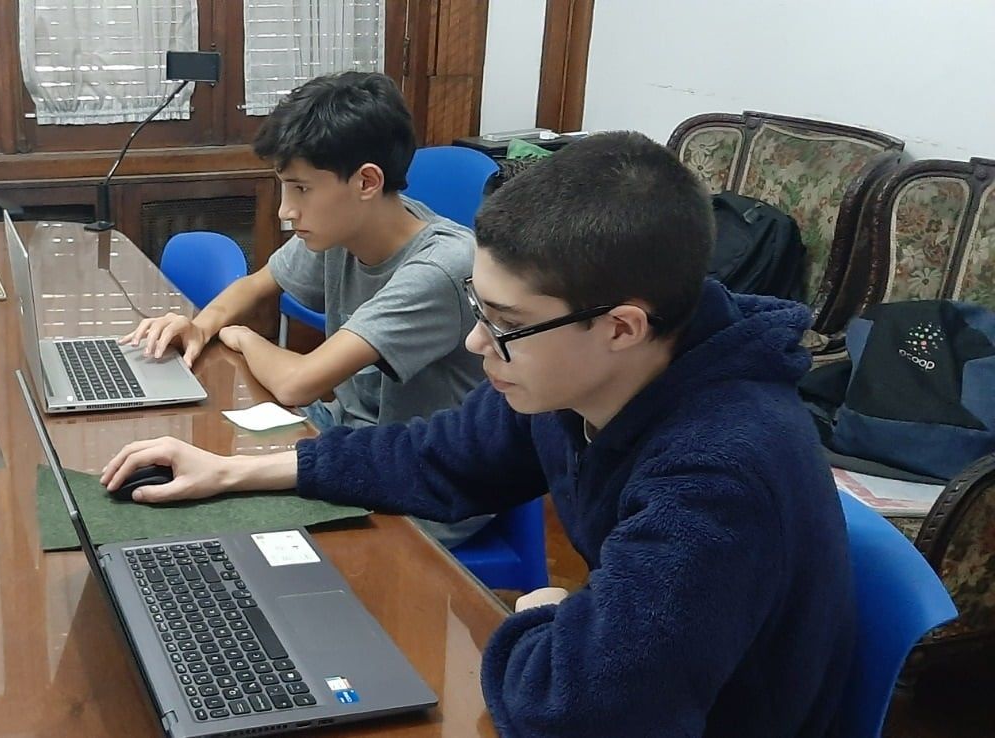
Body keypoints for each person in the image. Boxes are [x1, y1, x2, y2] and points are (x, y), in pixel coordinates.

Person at [102, 131, 854, 735]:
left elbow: (585, 712)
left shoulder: (720, 474)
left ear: (622, 326)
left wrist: (543, 614)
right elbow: (436, 458)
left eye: (508, 326)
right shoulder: (575, 377)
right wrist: (231, 471)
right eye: (480, 310)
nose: (475, 344)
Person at [122, 71, 483, 431]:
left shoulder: (440, 267)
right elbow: (256, 285)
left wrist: (242, 336)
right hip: (347, 432)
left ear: (367, 182)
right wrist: (200, 328)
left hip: (413, 465)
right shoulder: (345, 226)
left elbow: (298, 382)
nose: (285, 211)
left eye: (302, 189)